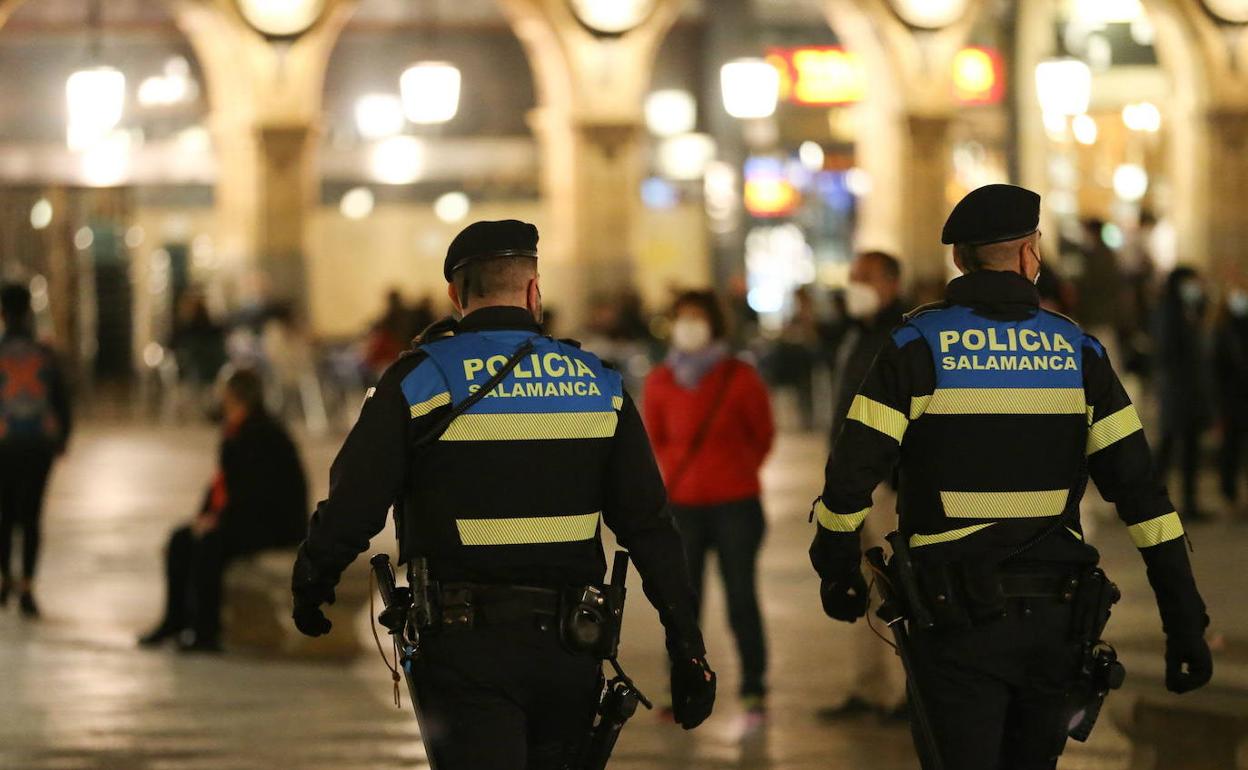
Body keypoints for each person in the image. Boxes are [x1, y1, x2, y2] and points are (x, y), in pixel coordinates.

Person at [809, 184, 1213, 770]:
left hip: (952, 622)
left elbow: (850, 478)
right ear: (1030, 255)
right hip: (1057, 622)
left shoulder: (916, 345)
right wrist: (1184, 620)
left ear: (958, 259)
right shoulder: (1079, 352)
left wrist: (839, 570)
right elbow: (1144, 500)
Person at [291, 220, 716, 769]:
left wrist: (313, 578)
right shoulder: (597, 384)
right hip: (570, 647)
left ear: (455, 295)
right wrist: (686, 645)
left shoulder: (420, 379)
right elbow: (649, 525)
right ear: (535, 290)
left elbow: (356, 502)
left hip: (462, 649)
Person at [643, 290, 774, 722]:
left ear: (715, 324)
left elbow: (763, 434)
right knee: (683, 605)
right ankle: (683, 689)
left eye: (698, 317)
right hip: (683, 508)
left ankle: (753, 686)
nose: (689, 326)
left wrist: (733, 470)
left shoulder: (739, 376)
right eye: (683, 317)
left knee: (741, 597)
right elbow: (655, 438)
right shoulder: (661, 379)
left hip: (736, 504)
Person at [141, 369, 308, 651]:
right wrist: (203, 517)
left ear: (234, 397)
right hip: (246, 516)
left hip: (273, 524)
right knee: (181, 539)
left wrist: (216, 521)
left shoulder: (262, 434)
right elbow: (221, 485)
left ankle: (205, 631)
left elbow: (257, 494)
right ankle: (175, 619)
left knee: (210, 545)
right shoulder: (237, 429)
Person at [817, 252, 908, 722]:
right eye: (852, 278)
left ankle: (902, 692)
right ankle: (869, 686)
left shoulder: (903, 337)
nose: (855, 286)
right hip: (851, 482)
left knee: (896, 586)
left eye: (865, 278)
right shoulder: (855, 334)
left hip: (886, 483)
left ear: (892, 283)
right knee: (859, 583)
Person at [0, 284, 71, 618]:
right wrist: (62, 439)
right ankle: (27, 586)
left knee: (3, 515)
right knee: (31, 516)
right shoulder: (44, 352)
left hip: (3, 443)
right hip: (37, 445)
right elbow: (61, 396)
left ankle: (5, 581)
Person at [1153, 267, 1215, 522]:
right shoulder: (1168, 313)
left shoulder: (1190, 311)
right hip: (1177, 391)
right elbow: (1168, 351)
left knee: (1185, 447)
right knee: (1171, 446)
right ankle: (1153, 501)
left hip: (1189, 391)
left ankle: (1187, 503)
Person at [1215, 282, 1248, 520]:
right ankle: (1230, 494)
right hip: (1231, 399)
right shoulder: (1222, 331)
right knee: (1231, 448)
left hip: (1240, 398)